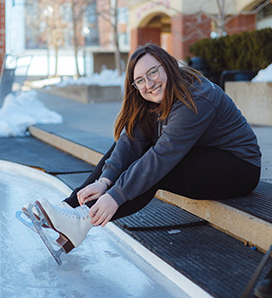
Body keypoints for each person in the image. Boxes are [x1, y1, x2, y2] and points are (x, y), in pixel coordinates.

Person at [25, 43, 261, 255]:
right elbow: (128, 144)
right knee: (126, 143)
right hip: (200, 157)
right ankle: (68, 208)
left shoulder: (196, 98)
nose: (149, 84)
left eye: (153, 72)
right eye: (140, 81)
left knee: (157, 166)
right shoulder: (151, 99)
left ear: (167, 65)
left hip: (238, 166)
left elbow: (160, 158)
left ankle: (80, 223)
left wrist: (115, 197)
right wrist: (105, 181)